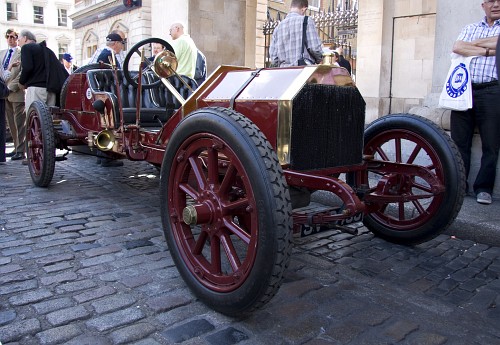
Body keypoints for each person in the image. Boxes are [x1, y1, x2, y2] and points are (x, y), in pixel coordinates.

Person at [450, 0, 500, 205]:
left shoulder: (474, 33)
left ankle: (484, 188)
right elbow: (457, 47)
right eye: (491, 1)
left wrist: (474, 45)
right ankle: (459, 186)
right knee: (459, 142)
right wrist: (490, 48)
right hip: (464, 89)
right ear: (483, 5)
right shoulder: (469, 28)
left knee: (491, 143)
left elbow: (466, 47)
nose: (495, 4)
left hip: (493, 90)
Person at [19, 29, 68, 164]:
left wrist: (22, 82)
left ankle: (32, 156)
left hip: (36, 89)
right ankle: (49, 154)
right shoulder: (47, 50)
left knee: (34, 123)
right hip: (50, 90)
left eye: (18, 39)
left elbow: (27, 68)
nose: (18, 43)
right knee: (49, 124)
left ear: (24, 38)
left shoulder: (27, 48)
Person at [269, 0, 323, 67]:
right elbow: (315, 48)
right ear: (304, 9)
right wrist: (320, 59)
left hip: (284, 72)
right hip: (303, 70)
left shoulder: (278, 27)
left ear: (291, 7)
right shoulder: (306, 21)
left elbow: (273, 57)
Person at [1, 29, 25, 161]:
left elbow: (22, 73)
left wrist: (10, 87)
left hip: (16, 92)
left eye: (13, 37)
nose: (10, 39)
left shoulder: (21, 53)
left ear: (17, 38)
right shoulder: (2, 53)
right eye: (8, 36)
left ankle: (21, 150)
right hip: (3, 94)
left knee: (20, 123)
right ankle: (16, 148)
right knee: (11, 124)